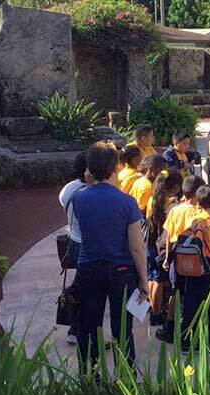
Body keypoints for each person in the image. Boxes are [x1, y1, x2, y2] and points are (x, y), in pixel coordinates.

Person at [74, 142, 148, 370]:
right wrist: (144, 279)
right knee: (122, 328)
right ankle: (126, 379)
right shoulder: (127, 202)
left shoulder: (79, 198)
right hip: (121, 271)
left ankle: (91, 376)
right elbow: (137, 247)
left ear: (89, 169)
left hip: (88, 268)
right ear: (115, 167)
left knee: (90, 326)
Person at [177, 186, 210, 351]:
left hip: (192, 266)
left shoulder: (194, 221)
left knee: (190, 301)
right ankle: (204, 341)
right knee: (208, 305)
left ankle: (186, 341)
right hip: (209, 267)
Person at [156, 175, 206, 343]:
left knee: (175, 292)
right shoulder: (200, 211)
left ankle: (169, 328)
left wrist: (167, 259)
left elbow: (170, 236)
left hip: (177, 255)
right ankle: (190, 329)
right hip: (196, 256)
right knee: (193, 293)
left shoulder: (175, 210)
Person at [58, 152, 90, 344]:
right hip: (89, 247)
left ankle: (75, 329)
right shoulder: (91, 192)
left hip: (73, 242)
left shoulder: (68, 189)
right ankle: (78, 331)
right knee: (88, 291)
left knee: (81, 285)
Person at [145, 170, 182, 326]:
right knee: (159, 280)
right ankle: (156, 313)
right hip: (160, 247)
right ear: (175, 187)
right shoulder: (171, 205)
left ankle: (153, 309)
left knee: (152, 278)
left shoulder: (153, 199)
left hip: (149, 244)